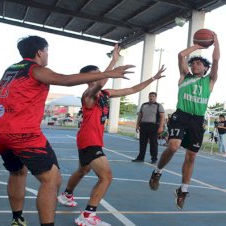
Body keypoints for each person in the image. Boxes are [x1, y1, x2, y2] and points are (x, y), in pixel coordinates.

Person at [0, 36, 134, 226]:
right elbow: (66, 80)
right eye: (47, 51)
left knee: (17, 173)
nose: (47, 54)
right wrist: (109, 73)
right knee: (52, 179)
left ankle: (18, 219)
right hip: (23, 134)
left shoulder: (11, 70)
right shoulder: (36, 70)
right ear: (40, 52)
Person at [57, 56, 165, 226]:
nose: (101, 76)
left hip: (90, 140)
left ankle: (66, 194)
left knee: (83, 170)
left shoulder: (105, 94)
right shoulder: (88, 95)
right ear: (88, 79)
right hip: (89, 140)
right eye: (96, 74)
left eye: (101, 73)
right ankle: (87, 215)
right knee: (106, 177)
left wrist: (153, 78)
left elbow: (131, 89)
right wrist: (113, 66)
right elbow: (99, 84)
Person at [149, 32, 220, 210]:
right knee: (173, 146)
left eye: (199, 63)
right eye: (193, 63)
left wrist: (215, 42)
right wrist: (198, 46)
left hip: (197, 120)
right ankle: (157, 172)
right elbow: (181, 55)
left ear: (205, 69)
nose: (195, 65)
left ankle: (183, 190)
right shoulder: (184, 77)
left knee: (191, 155)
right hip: (181, 116)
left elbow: (216, 60)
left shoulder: (209, 81)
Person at [132, 92, 165, 164]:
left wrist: (161, 127)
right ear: (148, 97)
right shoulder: (144, 105)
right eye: (150, 96)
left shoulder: (159, 106)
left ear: (155, 97)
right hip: (143, 125)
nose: (151, 98)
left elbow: (162, 117)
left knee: (153, 143)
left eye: (153, 96)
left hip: (153, 126)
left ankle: (154, 158)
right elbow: (140, 116)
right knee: (142, 142)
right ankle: (140, 158)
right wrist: (137, 125)